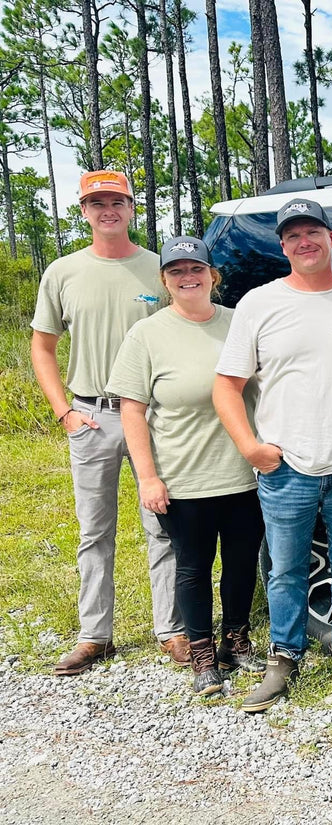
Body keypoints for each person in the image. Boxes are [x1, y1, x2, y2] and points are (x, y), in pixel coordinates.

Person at [213, 198, 332, 714]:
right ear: (283, 245)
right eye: (292, 235)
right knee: (286, 569)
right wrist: (251, 447)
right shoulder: (259, 304)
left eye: (313, 231)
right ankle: (282, 660)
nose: (304, 241)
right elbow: (227, 386)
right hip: (285, 465)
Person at [30, 170, 188, 676]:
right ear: (83, 211)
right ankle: (95, 635)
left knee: (163, 525)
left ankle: (172, 630)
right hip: (92, 416)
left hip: (154, 417)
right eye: (96, 203)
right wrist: (65, 413)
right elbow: (43, 346)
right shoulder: (63, 272)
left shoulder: (158, 270)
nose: (107, 211)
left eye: (116, 201)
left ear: (131, 206)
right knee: (94, 530)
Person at [107, 237, 266, 696]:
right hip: (183, 478)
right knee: (193, 568)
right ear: (164, 281)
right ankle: (201, 653)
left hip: (244, 472)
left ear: (212, 275)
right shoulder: (148, 334)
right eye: (176, 271)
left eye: (195, 269)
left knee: (240, 564)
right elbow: (132, 409)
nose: (187, 277)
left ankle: (236, 640)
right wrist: (149, 477)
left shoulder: (239, 323)